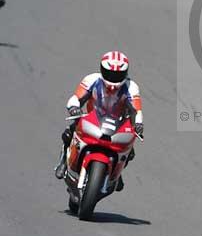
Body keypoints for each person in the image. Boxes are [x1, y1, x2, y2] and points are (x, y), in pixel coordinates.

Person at [54, 51, 144, 188]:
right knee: (69, 132)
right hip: (91, 118)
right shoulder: (91, 79)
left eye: (117, 75)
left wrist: (138, 124)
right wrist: (74, 107)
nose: (113, 79)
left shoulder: (131, 87)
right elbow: (76, 98)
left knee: (130, 150)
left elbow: (136, 110)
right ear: (102, 70)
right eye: (110, 74)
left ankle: (118, 173)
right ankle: (62, 162)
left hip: (118, 123)